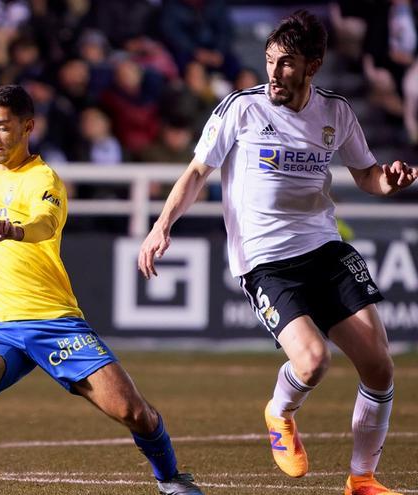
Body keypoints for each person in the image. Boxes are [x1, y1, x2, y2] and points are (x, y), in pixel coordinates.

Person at [138, 11, 415, 495]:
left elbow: (367, 174)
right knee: (312, 363)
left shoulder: (336, 113)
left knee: (380, 366)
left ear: (315, 64)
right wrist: (161, 226)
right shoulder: (241, 109)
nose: (274, 72)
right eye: (270, 60)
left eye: (287, 63)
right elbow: (198, 172)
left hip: (324, 247)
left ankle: (362, 480)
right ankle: (279, 410)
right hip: (265, 261)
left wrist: (386, 182)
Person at [0, 85, 204, 495]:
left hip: (54, 322)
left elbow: (45, 223)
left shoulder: (44, 178)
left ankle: (171, 477)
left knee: (132, 411)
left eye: (3, 127)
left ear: (28, 126)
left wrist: (16, 229)